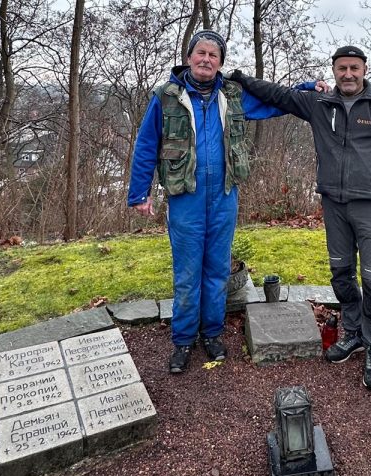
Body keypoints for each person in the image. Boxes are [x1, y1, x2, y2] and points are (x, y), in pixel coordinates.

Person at [127, 30, 325, 374]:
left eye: (213, 55)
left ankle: (213, 333)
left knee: (218, 270)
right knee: (188, 273)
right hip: (185, 197)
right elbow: (147, 144)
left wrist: (306, 89)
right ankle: (184, 339)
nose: (206, 59)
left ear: (220, 62)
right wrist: (139, 192)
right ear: (189, 57)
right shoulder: (166, 96)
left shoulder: (232, 95)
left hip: (224, 196)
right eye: (200, 53)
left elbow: (274, 102)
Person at [228, 45, 371, 390]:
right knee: (341, 274)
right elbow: (279, 95)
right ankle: (354, 333)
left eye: (354, 68)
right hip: (334, 204)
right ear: (334, 71)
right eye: (342, 68)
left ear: (364, 70)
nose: (348, 74)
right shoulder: (319, 104)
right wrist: (242, 79)